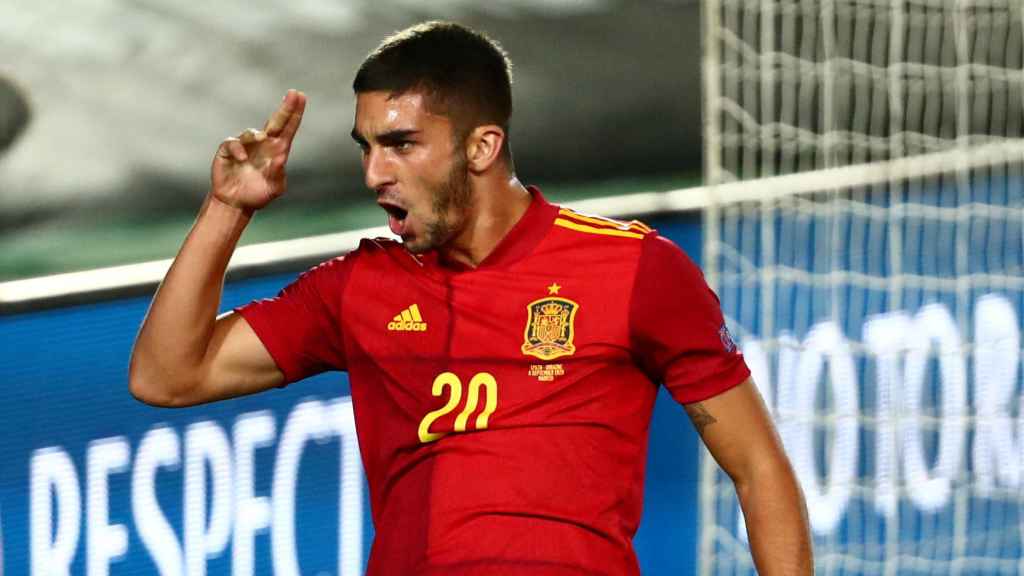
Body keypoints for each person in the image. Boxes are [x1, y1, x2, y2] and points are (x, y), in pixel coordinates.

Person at [130, 20, 812, 576]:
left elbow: (757, 468)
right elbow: (167, 376)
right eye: (366, 148)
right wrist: (227, 208)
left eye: (400, 145)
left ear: (483, 146)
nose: (374, 173)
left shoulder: (634, 268)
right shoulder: (357, 287)